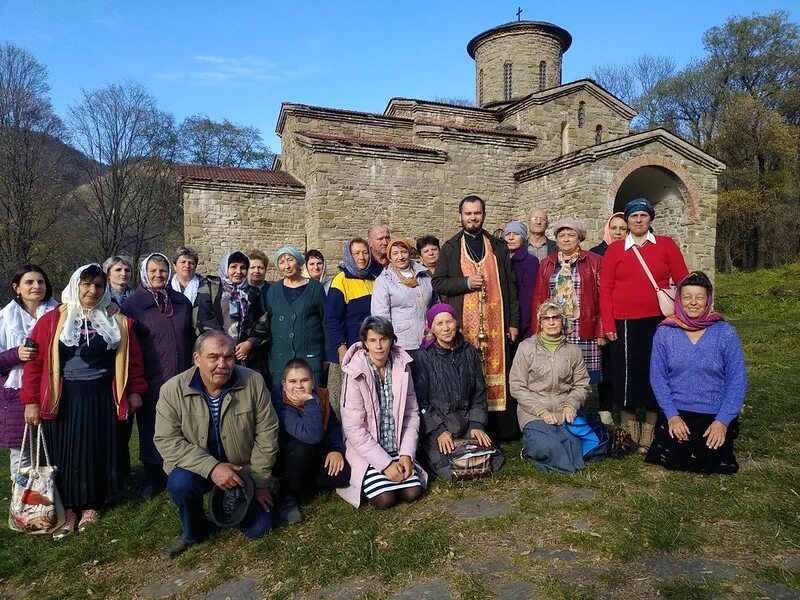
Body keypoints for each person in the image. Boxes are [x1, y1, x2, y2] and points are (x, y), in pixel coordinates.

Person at [22, 264, 147, 538]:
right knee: (66, 453)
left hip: (104, 397)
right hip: (66, 399)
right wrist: (31, 401)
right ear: (76, 285)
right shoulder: (53, 320)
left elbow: (133, 359)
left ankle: (92, 505)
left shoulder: (116, 320)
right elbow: (35, 364)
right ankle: (69, 510)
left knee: (98, 450)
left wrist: (135, 389)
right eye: (86, 285)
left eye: (98, 286)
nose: (92, 291)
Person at [154, 331, 279, 558]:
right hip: (196, 470)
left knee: (261, 529)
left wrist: (260, 482)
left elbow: (267, 432)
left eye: (228, 357)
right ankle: (193, 530)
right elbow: (167, 440)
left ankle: (232, 507)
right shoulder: (171, 390)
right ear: (197, 359)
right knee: (180, 483)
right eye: (213, 357)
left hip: (243, 470)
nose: (222, 364)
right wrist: (212, 468)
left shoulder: (253, 381)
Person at [600, 198, 688, 453]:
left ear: (650, 218)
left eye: (643, 215)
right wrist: (608, 322)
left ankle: (650, 426)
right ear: (626, 221)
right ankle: (629, 427)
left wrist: (684, 316)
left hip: (659, 321)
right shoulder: (616, 250)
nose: (638, 220)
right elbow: (606, 288)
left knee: (656, 370)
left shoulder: (666, 245)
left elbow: (682, 280)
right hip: (624, 320)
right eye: (633, 216)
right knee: (627, 373)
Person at [432, 194, 520, 441]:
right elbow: (439, 283)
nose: (473, 218)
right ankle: (471, 425)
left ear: (484, 215)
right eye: (468, 213)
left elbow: (511, 287)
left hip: (496, 323)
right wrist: (466, 282)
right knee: (468, 374)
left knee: (499, 370)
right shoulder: (450, 248)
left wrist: (513, 322)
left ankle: (502, 430)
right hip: (465, 326)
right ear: (460, 216)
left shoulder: (498, 247)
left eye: (477, 213)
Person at [645, 272, 746, 474]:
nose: (693, 303)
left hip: (714, 412)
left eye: (699, 297)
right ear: (679, 300)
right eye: (687, 297)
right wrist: (672, 416)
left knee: (712, 461)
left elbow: (737, 381)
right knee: (675, 458)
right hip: (679, 412)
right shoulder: (665, 333)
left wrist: (722, 421)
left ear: (708, 300)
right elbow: (658, 378)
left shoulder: (725, 333)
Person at [121, 253, 194, 498]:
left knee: (183, 424)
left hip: (182, 375)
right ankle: (153, 476)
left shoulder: (181, 301)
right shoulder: (133, 305)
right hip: (152, 376)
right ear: (144, 273)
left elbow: (191, 337)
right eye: (153, 271)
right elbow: (127, 347)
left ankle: (183, 469)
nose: (158, 275)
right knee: (151, 426)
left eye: (162, 270)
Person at [338, 316, 426, 509]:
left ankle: (396, 467)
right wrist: (385, 465)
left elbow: (411, 414)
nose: (378, 346)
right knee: (386, 499)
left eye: (383, 339)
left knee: (413, 493)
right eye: (372, 340)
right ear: (365, 344)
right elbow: (354, 428)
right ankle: (373, 478)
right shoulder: (354, 372)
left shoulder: (402, 366)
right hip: (368, 451)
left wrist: (406, 455)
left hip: (396, 445)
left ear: (392, 340)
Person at [413, 304, 503, 480]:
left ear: (456, 323)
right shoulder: (423, 356)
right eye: (439, 324)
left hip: (467, 421)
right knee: (450, 472)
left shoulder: (469, 351)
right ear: (431, 328)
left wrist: (477, 424)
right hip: (440, 426)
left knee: (492, 462)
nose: (446, 328)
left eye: (449, 322)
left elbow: (479, 393)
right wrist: (438, 430)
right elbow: (420, 401)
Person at [509, 301, 592, 474]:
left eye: (556, 318)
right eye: (546, 319)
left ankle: (559, 457)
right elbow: (517, 386)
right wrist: (542, 412)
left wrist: (571, 405)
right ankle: (531, 451)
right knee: (550, 445)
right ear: (540, 323)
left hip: (563, 411)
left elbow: (582, 384)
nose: (551, 322)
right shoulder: (526, 348)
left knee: (574, 443)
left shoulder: (573, 351)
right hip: (533, 412)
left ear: (563, 321)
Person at [272, 358, 350, 524]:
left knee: (343, 475)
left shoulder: (320, 395)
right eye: (293, 381)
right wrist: (309, 402)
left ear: (312, 382)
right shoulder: (279, 400)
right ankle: (288, 495)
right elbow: (311, 434)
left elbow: (333, 425)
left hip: (316, 452)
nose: (299, 386)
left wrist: (335, 449)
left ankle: (306, 484)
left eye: (304, 380)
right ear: (284, 384)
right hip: (290, 458)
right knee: (302, 446)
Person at [0, 265, 58, 476]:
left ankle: (51, 502)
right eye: (29, 282)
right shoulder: (5, 318)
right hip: (16, 394)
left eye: (40, 282)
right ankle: (22, 505)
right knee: (22, 454)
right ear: (17, 288)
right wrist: (16, 354)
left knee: (52, 450)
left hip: (53, 389)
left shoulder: (59, 313)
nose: (36, 286)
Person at [531, 218, 604, 384]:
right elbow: (538, 298)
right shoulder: (546, 263)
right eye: (561, 235)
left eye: (571, 235)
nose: (566, 239)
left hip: (584, 326)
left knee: (582, 377)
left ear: (579, 238)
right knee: (557, 372)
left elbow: (602, 297)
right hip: (555, 326)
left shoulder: (595, 261)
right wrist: (537, 329)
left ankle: (581, 410)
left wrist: (601, 329)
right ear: (556, 239)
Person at [325, 237, 376, 411]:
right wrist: (341, 349)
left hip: (369, 349)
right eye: (356, 253)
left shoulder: (374, 279)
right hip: (346, 350)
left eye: (364, 253)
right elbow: (332, 319)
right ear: (349, 256)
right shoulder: (341, 280)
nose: (361, 257)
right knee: (343, 400)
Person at [196, 251, 270, 372]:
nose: (238, 271)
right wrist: (223, 344)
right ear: (225, 268)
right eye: (233, 267)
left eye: (243, 267)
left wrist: (249, 343)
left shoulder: (254, 293)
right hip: (216, 353)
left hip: (245, 356)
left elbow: (262, 321)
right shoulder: (210, 289)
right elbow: (203, 318)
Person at [264, 247, 326, 389]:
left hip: (309, 360)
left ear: (298, 262)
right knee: (282, 405)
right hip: (281, 362)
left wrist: (326, 357)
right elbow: (267, 324)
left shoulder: (315, 289)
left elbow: (325, 323)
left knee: (311, 402)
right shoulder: (273, 290)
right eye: (282, 262)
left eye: (290, 260)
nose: (286, 265)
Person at [590, 212, 628, 425]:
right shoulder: (596, 253)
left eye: (622, 229)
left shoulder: (631, 251)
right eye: (614, 228)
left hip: (625, 312)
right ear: (607, 229)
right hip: (602, 313)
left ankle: (624, 406)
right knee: (605, 362)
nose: (617, 232)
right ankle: (605, 407)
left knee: (621, 361)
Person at [370, 239, 433, 356]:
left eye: (404, 252)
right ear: (389, 257)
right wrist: (387, 342)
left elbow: (434, 305)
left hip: (427, 341)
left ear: (409, 253)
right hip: (402, 344)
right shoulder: (384, 281)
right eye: (395, 253)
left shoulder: (424, 275)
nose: (400, 257)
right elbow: (381, 317)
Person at [503, 221, 539, 340]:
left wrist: (518, 325)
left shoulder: (530, 262)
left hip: (521, 323)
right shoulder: (500, 261)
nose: (511, 238)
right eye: (508, 234)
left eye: (516, 234)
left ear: (523, 238)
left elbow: (527, 298)